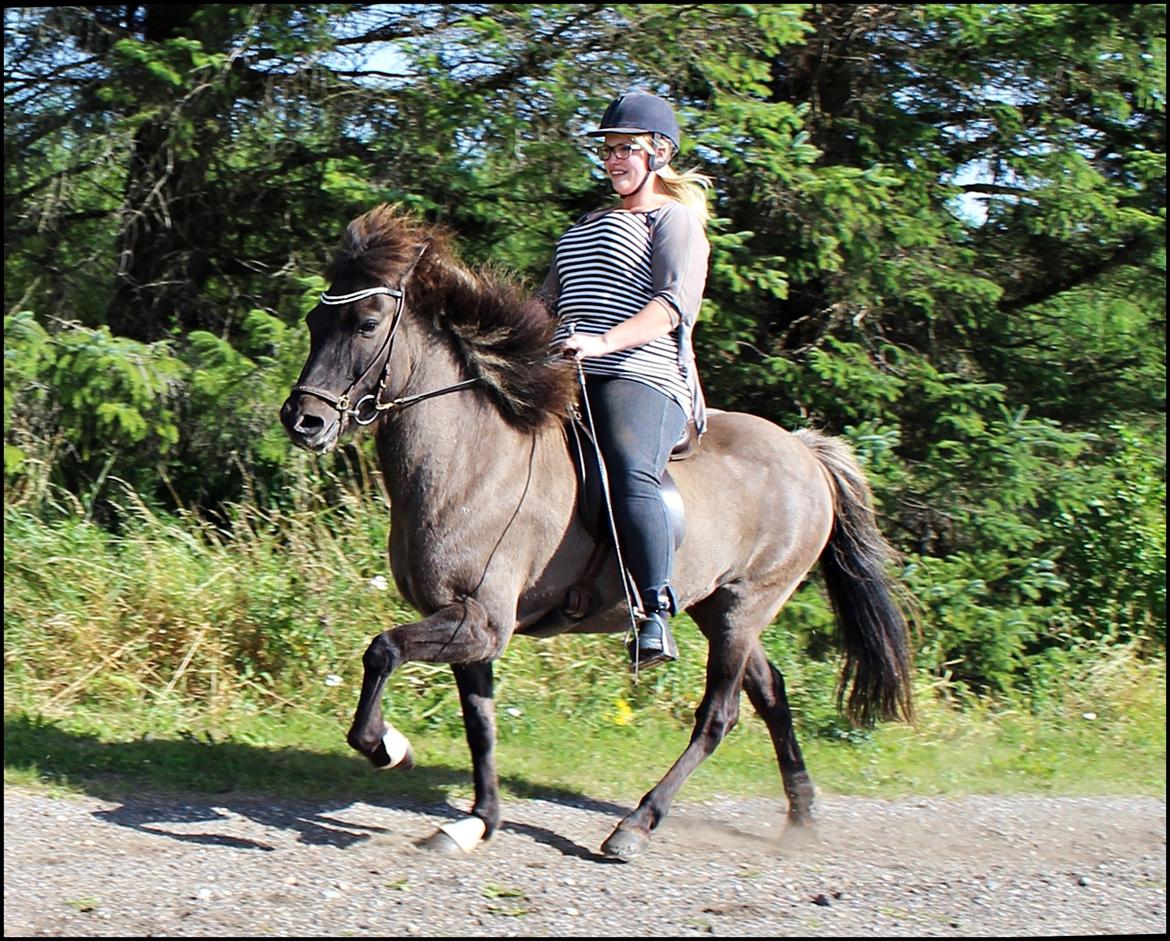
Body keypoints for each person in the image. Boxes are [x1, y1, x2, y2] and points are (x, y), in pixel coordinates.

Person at [531, 91, 712, 670]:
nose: (613, 159)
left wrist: (603, 341)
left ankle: (654, 609)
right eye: (608, 149)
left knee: (628, 468)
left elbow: (671, 305)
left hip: (641, 372)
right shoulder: (585, 224)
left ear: (659, 153)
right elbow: (545, 304)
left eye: (626, 148)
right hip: (571, 372)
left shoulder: (673, 219)